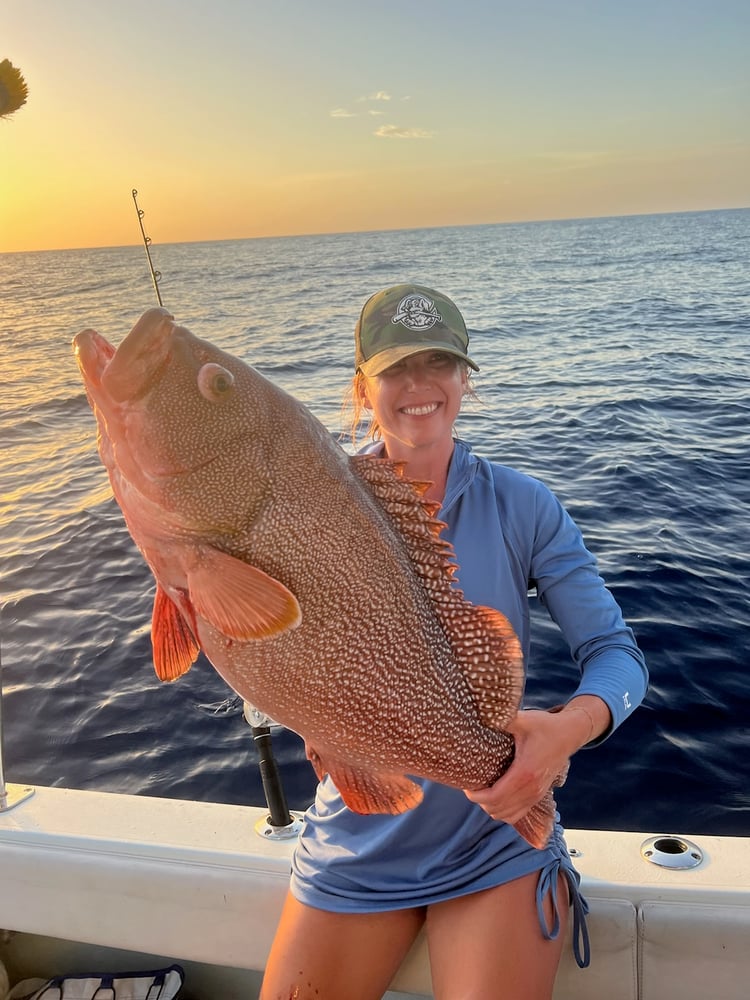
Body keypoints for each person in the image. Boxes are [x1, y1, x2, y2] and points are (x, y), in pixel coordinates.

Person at [260, 283, 649, 1000]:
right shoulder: (310, 512)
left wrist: (567, 730)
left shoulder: (524, 506)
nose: (418, 385)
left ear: (465, 378)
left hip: (495, 841)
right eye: (395, 368)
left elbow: (619, 656)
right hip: (356, 836)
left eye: (438, 362)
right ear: (361, 387)